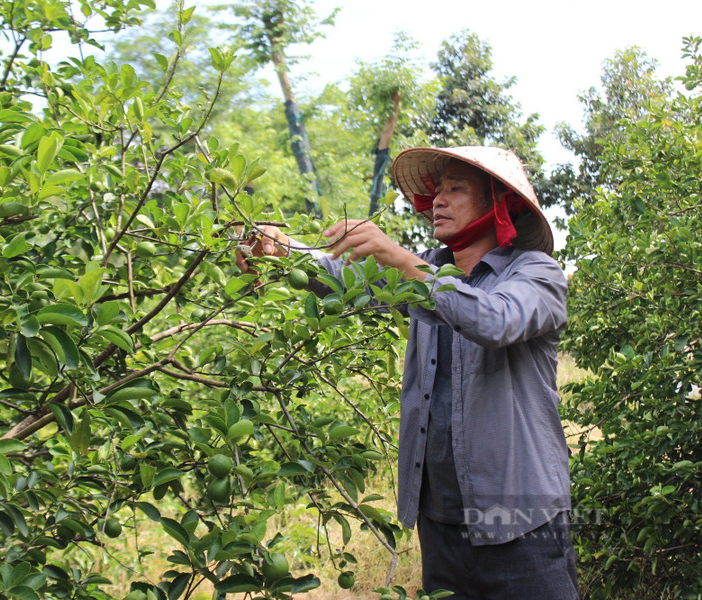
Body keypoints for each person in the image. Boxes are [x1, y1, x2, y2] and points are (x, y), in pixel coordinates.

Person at [238, 146, 578, 599]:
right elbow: (337, 279)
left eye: (456, 189)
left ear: (498, 202)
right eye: (437, 191)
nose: (439, 200)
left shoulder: (537, 274)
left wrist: (398, 257)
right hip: (441, 522)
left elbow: (495, 320)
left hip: (523, 520)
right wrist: (279, 253)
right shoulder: (426, 271)